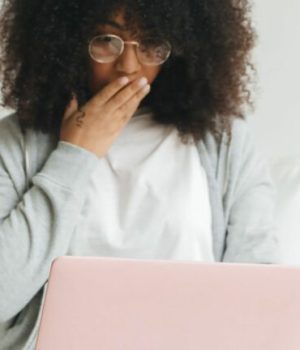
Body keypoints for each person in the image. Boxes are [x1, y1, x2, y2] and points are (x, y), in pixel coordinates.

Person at [0, 0, 278, 348]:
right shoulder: (16, 143)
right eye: (106, 39)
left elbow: (258, 298)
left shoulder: (226, 143)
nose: (128, 66)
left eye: (150, 44)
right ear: (67, 40)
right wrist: (76, 154)